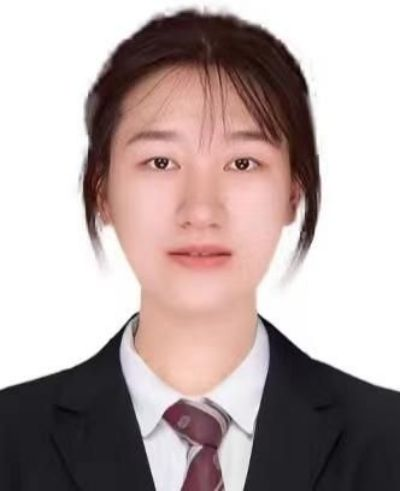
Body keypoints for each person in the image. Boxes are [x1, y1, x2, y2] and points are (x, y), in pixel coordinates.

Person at [1, 7, 399, 491]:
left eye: (243, 163)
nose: (201, 209)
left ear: (294, 191)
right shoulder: (11, 442)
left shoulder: (387, 442)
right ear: (101, 190)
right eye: (161, 161)